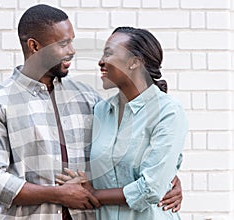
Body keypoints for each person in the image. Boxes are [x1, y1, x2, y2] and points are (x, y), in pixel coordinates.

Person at [0, 4, 183, 220]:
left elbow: (121, 153)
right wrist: (58, 194)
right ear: (35, 46)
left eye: (72, 41)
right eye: (63, 44)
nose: (72, 50)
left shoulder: (88, 98)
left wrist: (167, 179)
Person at [56, 27, 187, 220]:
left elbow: (151, 189)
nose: (100, 61)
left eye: (108, 53)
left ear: (134, 62)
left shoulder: (168, 112)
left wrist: (92, 194)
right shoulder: (100, 110)